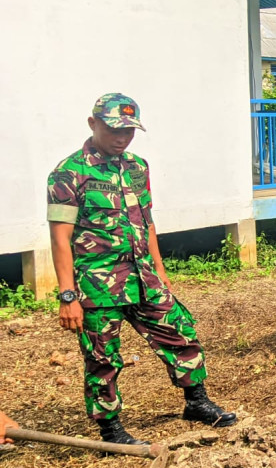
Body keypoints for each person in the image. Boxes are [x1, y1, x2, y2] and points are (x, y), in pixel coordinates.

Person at [47, 93, 237, 445]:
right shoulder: (69, 173)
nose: (122, 138)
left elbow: (146, 222)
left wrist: (160, 271)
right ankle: (111, 430)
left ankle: (196, 402)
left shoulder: (137, 167)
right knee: (103, 359)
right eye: (114, 129)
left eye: (129, 131)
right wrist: (68, 295)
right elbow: (60, 239)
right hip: (98, 286)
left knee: (180, 331)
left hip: (143, 277)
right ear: (93, 124)